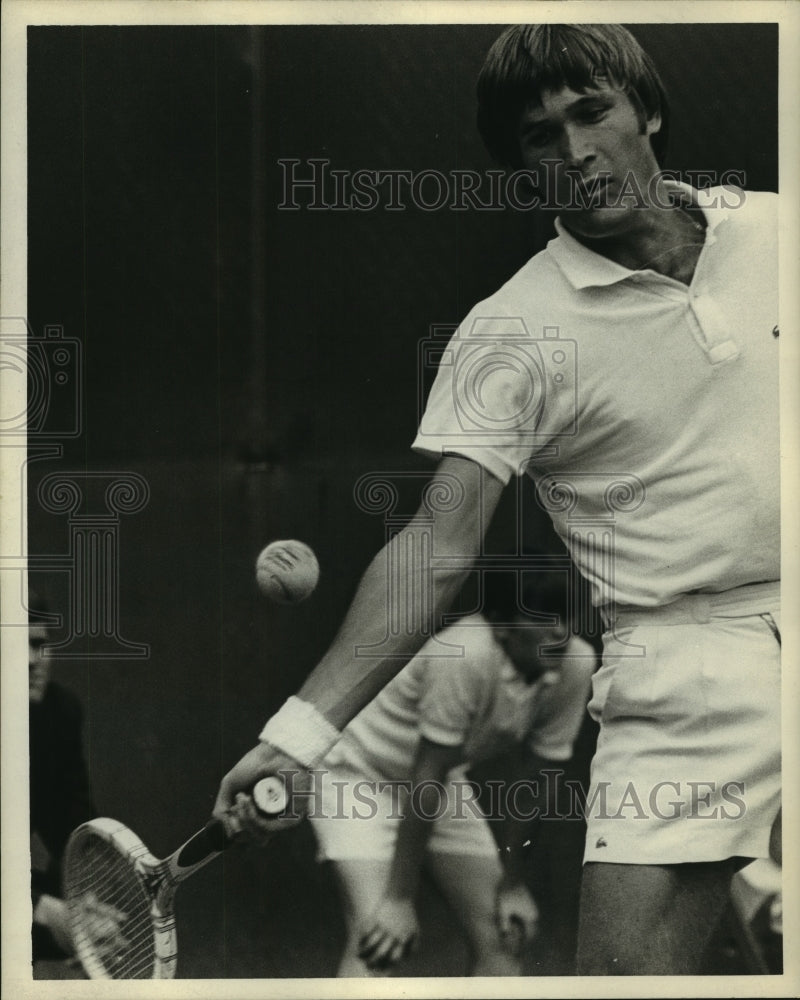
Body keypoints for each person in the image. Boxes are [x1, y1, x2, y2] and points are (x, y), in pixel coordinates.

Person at [215, 24, 780, 976]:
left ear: (647, 111)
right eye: (539, 137)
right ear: (521, 169)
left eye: (592, 111)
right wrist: (297, 735)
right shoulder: (509, 335)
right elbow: (437, 545)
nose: (575, 152)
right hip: (686, 665)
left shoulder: (776, 229)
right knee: (619, 979)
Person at [305, 568, 594, 976]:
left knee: (503, 935)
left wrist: (511, 884)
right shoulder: (464, 653)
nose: (560, 632)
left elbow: (535, 783)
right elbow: (428, 774)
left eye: (565, 616)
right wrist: (399, 899)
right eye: (543, 618)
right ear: (502, 626)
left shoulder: (576, 664)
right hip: (356, 775)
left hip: (438, 783)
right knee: (377, 941)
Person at [29, 589, 97, 967]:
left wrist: (82, 904)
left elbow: (73, 830)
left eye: (39, 645)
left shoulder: (58, 715)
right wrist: (48, 911)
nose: (30, 661)